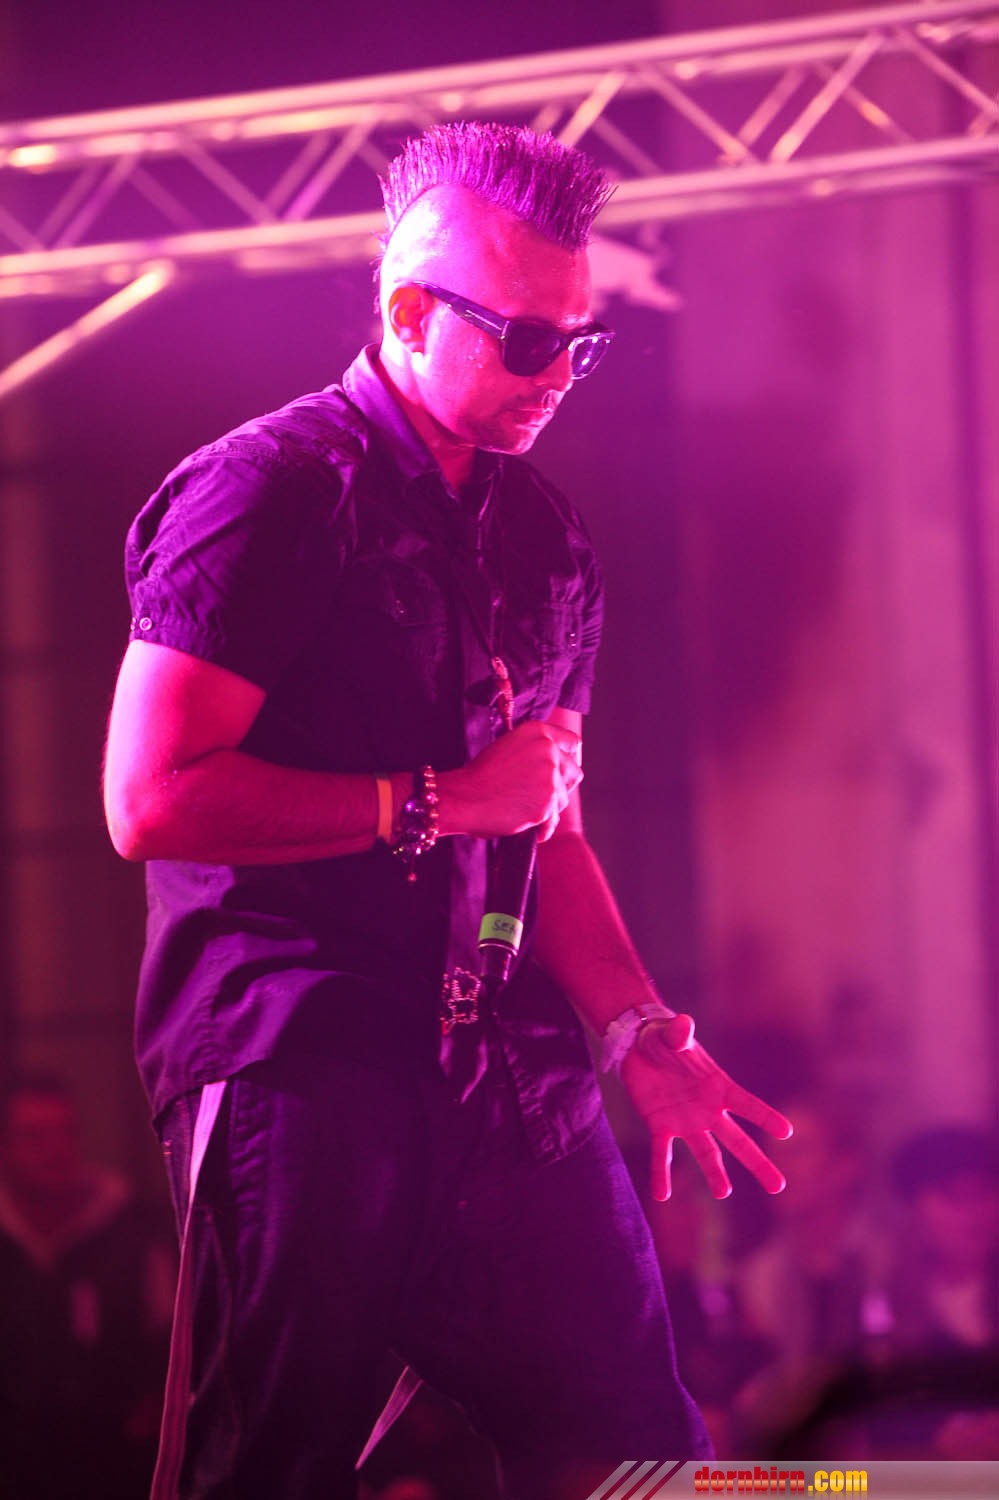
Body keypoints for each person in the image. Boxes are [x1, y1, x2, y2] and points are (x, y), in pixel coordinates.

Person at [102, 121, 792, 1500]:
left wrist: (634, 1029)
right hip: (302, 1052)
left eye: (580, 344)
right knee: (273, 1471)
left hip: (507, 1069)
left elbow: (548, 829)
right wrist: (432, 802)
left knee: (642, 1459)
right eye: (525, 341)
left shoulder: (546, 538)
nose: (558, 375)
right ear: (409, 315)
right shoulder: (265, 492)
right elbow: (150, 796)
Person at [0, 1074, 174, 1499]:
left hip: (116, 1471)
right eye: (34, 1137)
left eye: (65, 1133)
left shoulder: (131, 1235)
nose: (55, 1150)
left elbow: (170, 1343)